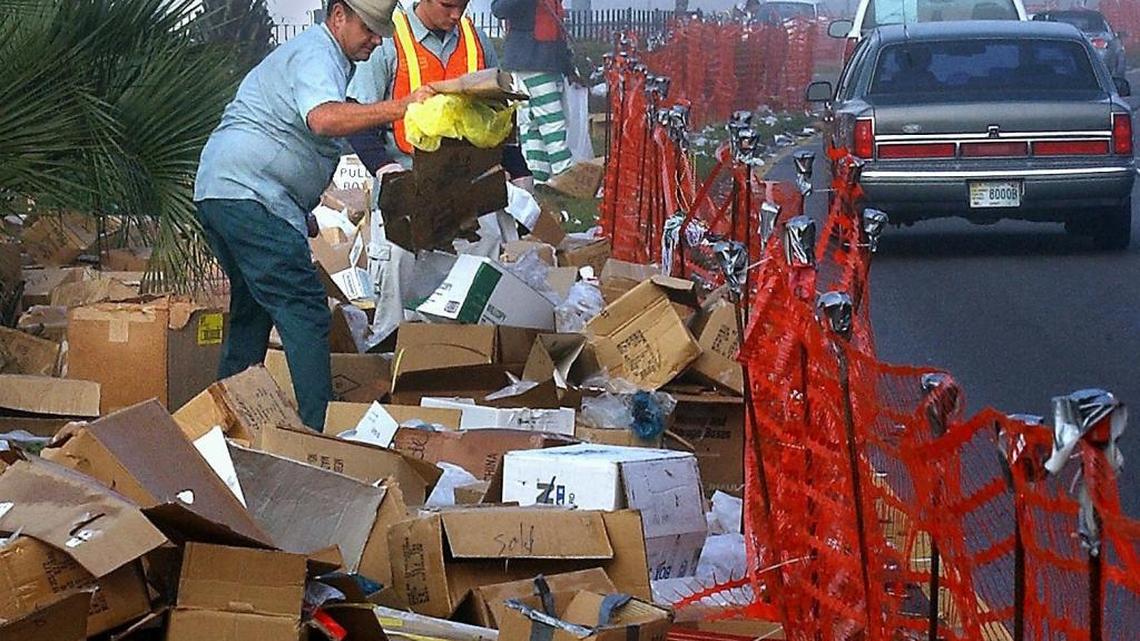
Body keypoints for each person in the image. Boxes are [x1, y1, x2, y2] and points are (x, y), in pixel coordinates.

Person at [193, 0, 434, 431]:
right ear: (338, 15)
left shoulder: (321, 57)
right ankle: (321, 431)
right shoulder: (317, 53)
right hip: (252, 195)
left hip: (224, 192)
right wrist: (401, 107)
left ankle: (225, 425)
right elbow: (323, 120)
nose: (376, 40)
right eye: (369, 29)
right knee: (305, 310)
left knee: (252, 309)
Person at [346, 0, 532, 343]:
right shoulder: (389, 41)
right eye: (448, 5)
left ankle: (467, 357)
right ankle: (391, 363)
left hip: (467, 188)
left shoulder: (477, 41)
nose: (456, 15)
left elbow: (500, 113)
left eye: (462, 5)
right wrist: (383, 169)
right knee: (398, 275)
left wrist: (518, 171)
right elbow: (359, 118)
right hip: (406, 184)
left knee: (483, 263)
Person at [491, 0, 577, 183]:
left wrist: (567, 67)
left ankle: (539, 177)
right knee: (552, 121)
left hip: (546, 61)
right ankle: (565, 174)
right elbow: (499, 9)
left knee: (535, 123)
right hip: (532, 61)